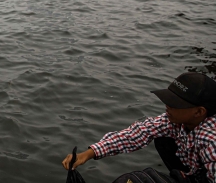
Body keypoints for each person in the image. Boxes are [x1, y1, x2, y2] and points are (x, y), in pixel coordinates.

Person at [62, 72, 216, 182]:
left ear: (199, 112)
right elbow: (136, 134)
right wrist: (88, 154)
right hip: (194, 170)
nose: (167, 106)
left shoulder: (211, 140)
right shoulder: (175, 121)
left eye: (175, 104)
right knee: (161, 137)